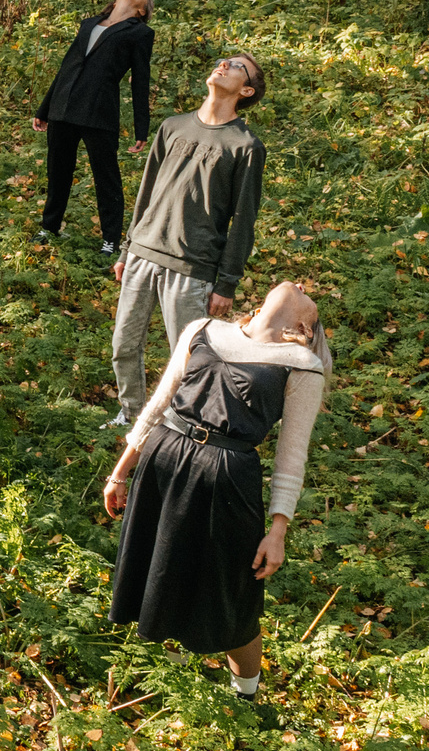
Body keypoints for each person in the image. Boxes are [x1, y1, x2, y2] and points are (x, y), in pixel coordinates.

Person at [104, 281, 330, 702]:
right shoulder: (203, 329)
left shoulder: (301, 364)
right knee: (162, 567)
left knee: (232, 595)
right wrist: (120, 472)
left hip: (229, 477)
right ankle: (166, 681)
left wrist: (278, 531)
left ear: (301, 326)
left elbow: (291, 456)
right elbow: (160, 403)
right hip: (166, 457)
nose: (299, 283)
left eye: (305, 293)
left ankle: (246, 696)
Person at [110, 53, 268, 428]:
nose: (224, 65)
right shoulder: (173, 127)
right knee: (123, 346)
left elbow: (244, 221)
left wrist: (227, 282)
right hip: (143, 253)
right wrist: (127, 248)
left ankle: (179, 425)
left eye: (237, 66)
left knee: (187, 357)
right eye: (224, 60)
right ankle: (132, 416)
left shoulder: (245, 146)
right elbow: (146, 192)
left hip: (192, 266)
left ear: (246, 90)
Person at [32, 0, 154, 254]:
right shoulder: (89, 23)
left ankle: (110, 241)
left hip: (99, 112)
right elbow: (66, 67)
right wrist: (44, 109)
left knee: (106, 178)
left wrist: (141, 127)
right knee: (58, 171)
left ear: (141, 10)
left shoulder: (140, 33)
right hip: (64, 107)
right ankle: (49, 227)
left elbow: (140, 81)